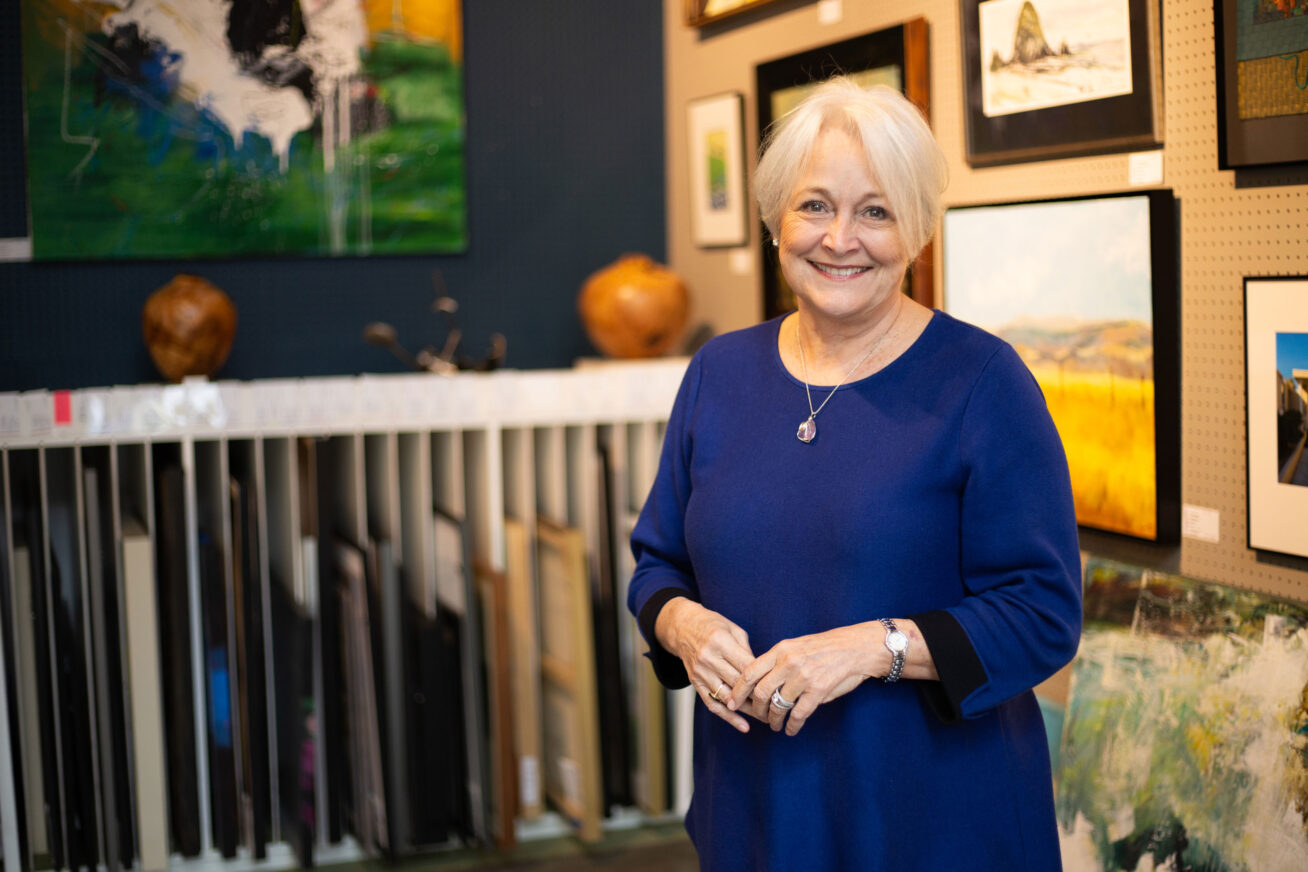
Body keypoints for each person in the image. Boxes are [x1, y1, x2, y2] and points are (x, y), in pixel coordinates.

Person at [627, 77, 1082, 870]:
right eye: (814, 206)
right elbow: (658, 564)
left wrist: (873, 648)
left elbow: (1043, 613)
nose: (840, 238)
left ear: (916, 231)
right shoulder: (719, 372)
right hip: (757, 806)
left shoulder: (983, 382)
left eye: (875, 211)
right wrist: (684, 627)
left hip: (931, 819)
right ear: (775, 220)